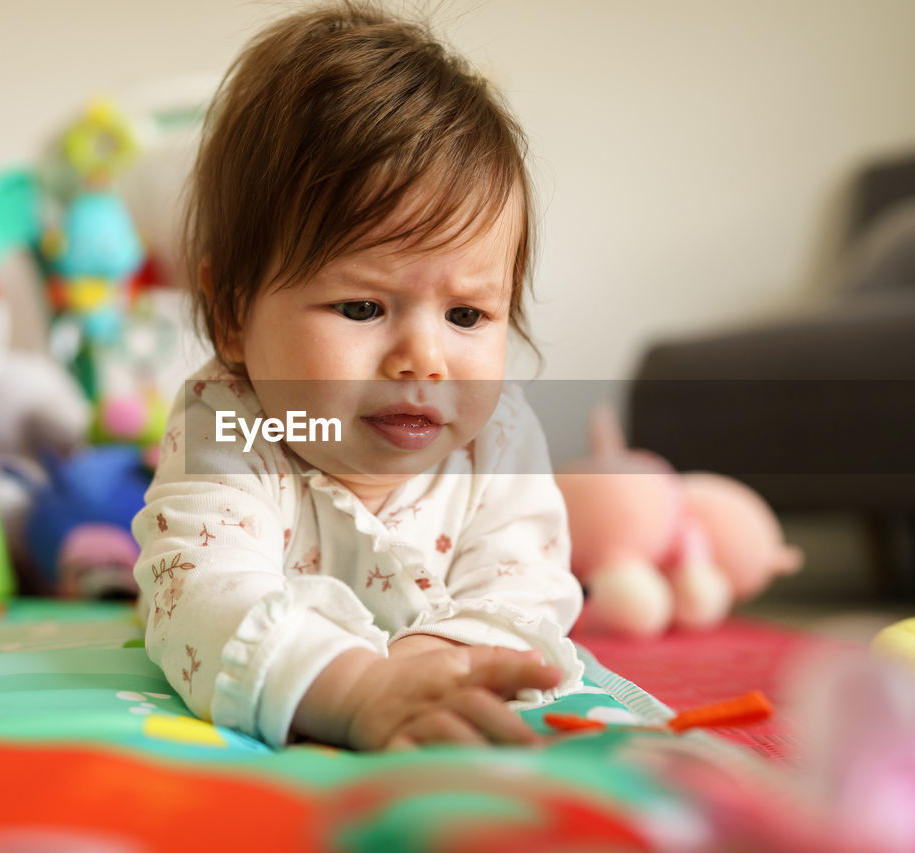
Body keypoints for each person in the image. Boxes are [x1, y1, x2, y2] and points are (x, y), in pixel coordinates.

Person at [132, 1, 584, 751]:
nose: (424, 359)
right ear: (236, 312)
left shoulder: (497, 437)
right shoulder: (234, 424)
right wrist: (355, 687)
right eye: (363, 306)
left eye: (468, 316)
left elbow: (525, 593)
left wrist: (434, 661)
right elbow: (200, 596)